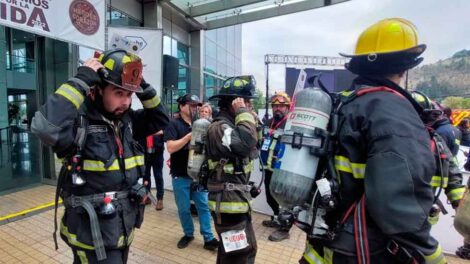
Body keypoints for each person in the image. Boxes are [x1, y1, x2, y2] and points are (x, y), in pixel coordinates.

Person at [299, 18, 445, 263]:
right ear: (403, 67)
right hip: (365, 248)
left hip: (325, 238)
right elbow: (400, 201)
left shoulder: (340, 103)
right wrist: (432, 255)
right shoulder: (391, 110)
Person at [31, 49, 169, 263]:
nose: (125, 102)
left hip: (120, 231)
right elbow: (44, 127)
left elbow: (161, 120)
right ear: (97, 89)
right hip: (91, 236)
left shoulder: (127, 122)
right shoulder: (79, 123)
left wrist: (140, 85)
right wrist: (82, 79)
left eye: (128, 95)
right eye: (118, 93)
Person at [205, 75, 259, 264]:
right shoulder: (219, 128)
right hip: (228, 206)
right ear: (235, 103)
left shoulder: (232, 126)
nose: (250, 107)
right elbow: (246, 143)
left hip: (235, 202)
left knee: (233, 253)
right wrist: (243, 112)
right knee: (240, 255)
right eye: (247, 102)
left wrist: (247, 115)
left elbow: (254, 141)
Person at [164, 93, 219, 250]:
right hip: (180, 175)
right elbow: (171, 148)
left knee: (203, 206)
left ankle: (208, 238)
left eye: (197, 106)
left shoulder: (202, 124)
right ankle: (188, 234)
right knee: (183, 209)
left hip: (199, 176)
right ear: (181, 106)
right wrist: (188, 137)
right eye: (192, 105)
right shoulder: (174, 124)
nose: (196, 108)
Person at [411, 91, 465, 218]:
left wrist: (461, 209)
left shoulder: (435, 140)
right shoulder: (435, 140)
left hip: (419, 215)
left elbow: (453, 177)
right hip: (416, 216)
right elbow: (454, 176)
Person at [260, 91, 292, 242]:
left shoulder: (291, 124)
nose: (277, 108)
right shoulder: (268, 122)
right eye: (275, 106)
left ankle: (285, 228)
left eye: (281, 106)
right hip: (268, 168)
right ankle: (277, 218)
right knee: (269, 196)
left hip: (282, 170)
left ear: (287, 107)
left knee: (283, 199)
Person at [141, 130, 165, 210]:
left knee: (158, 176)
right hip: (145, 152)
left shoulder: (159, 121)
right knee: (145, 176)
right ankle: (147, 197)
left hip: (157, 153)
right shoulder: (144, 123)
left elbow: (167, 132)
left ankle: (160, 199)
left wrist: (160, 132)